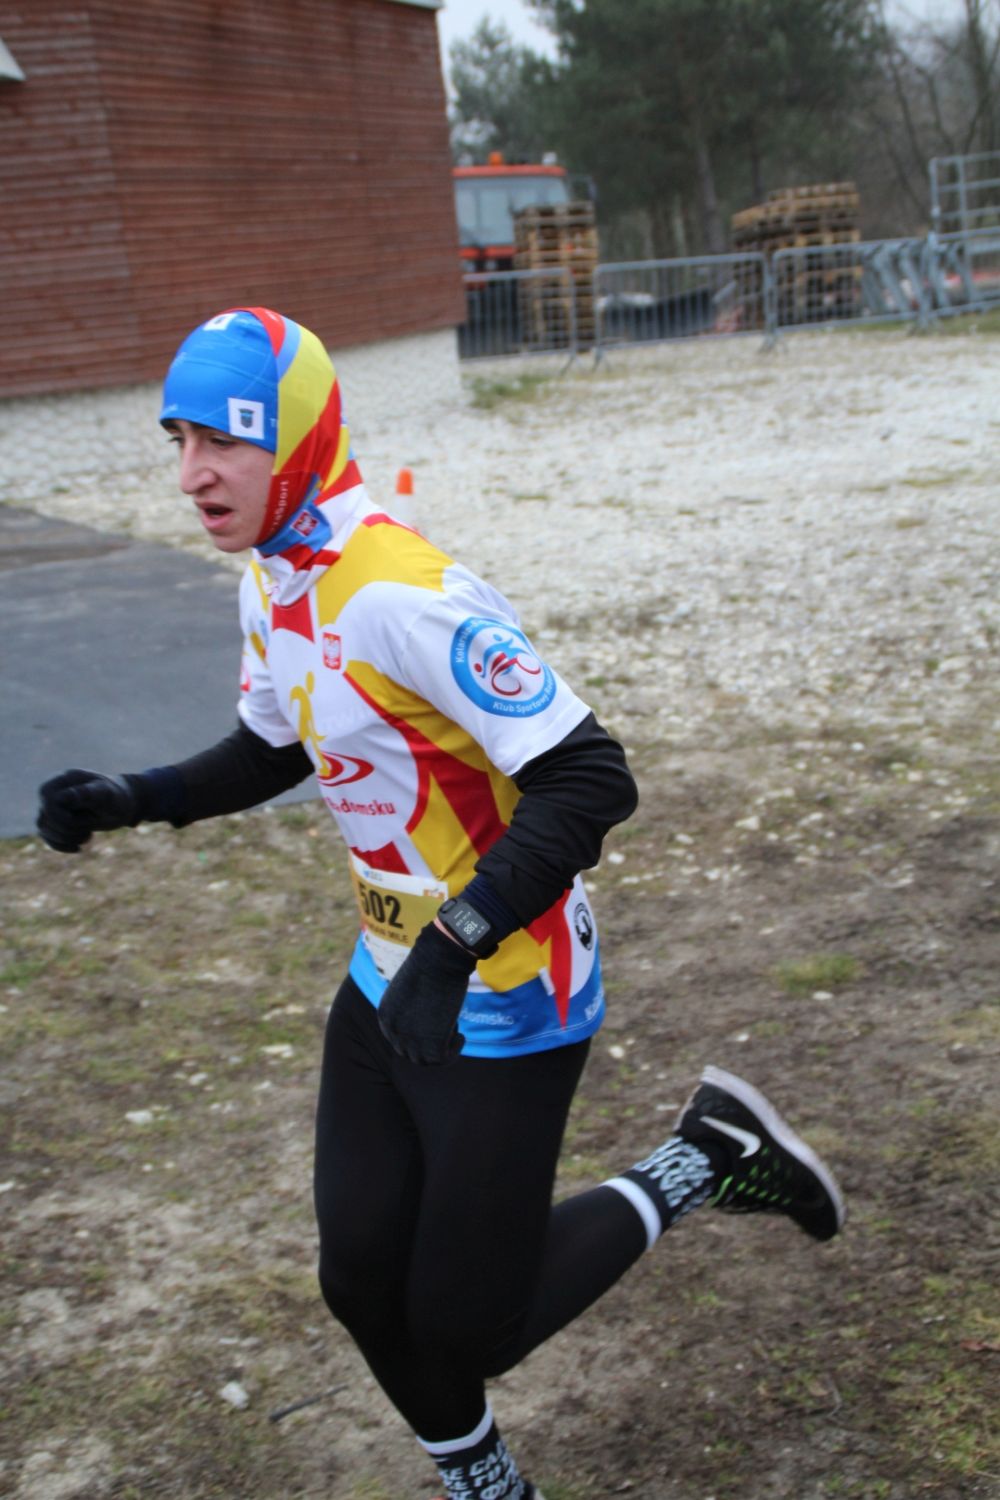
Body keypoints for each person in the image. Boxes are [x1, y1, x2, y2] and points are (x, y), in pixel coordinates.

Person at [36, 307, 845, 1500]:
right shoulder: (276, 579)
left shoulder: (400, 593)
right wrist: (134, 796)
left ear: (296, 441)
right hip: (389, 979)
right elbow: (272, 748)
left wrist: (456, 946)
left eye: (224, 441)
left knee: (470, 1325)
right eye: (180, 440)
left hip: (508, 990)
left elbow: (590, 778)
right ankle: (489, 1488)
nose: (192, 473)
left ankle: (700, 1160)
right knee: (358, 1279)